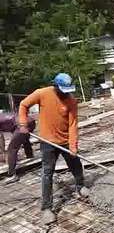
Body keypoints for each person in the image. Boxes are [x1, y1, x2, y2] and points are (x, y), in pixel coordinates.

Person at [18, 73, 89, 225]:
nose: (66, 93)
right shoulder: (42, 93)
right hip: (47, 142)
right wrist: (23, 124)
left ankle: (80, 186)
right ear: (55, 86)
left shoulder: (71, 101)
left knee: (76, 165)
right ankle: (46, 208)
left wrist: (73, 146)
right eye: (63, 89)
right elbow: (23, 105)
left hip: (64, 141)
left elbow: (72, 125)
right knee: (47, 173)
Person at [0, 112, 36, 184]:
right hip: (30, 121)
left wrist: (4, 152)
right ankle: (30, 156)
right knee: (24, 138)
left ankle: (12, 175)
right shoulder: (2, 116)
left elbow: (0, 138)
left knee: (11, 149)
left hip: (21, 124)